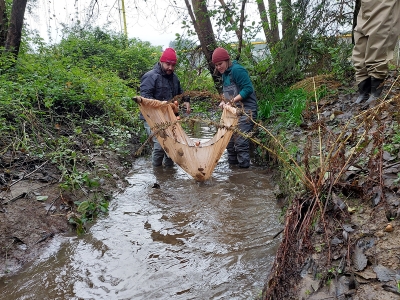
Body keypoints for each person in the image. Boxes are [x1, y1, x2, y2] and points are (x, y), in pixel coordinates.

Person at [140, 47, 191, 167]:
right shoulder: (150, 76)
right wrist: (162, 104)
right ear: (161, 61)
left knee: (173, 144)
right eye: (168, 64)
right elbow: (145, 98)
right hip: (151, 117)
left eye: (173, 65)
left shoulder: (174, 78)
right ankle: (157, 171)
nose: (170, 68)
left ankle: (169, 172)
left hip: (169, 116)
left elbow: (180, 92)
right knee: (160, 144)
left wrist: (186, 100)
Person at [212, 47, 258, 168]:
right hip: (233, 111)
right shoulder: (224, 75)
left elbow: (248, 89)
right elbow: (227, 94)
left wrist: (232, 101)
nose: (218, 67)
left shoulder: (238, 70)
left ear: (227, 60)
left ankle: (244, 174)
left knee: (240, 142)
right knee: (229, 143)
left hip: (247, 110)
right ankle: (233, 174)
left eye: (220, 64)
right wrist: (223, 101)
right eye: (216, 65)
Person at [352, 0, 400, 104]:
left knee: (379, 36)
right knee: (361, 43)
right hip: (366, 5)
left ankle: (375, 92)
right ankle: (363, 91)